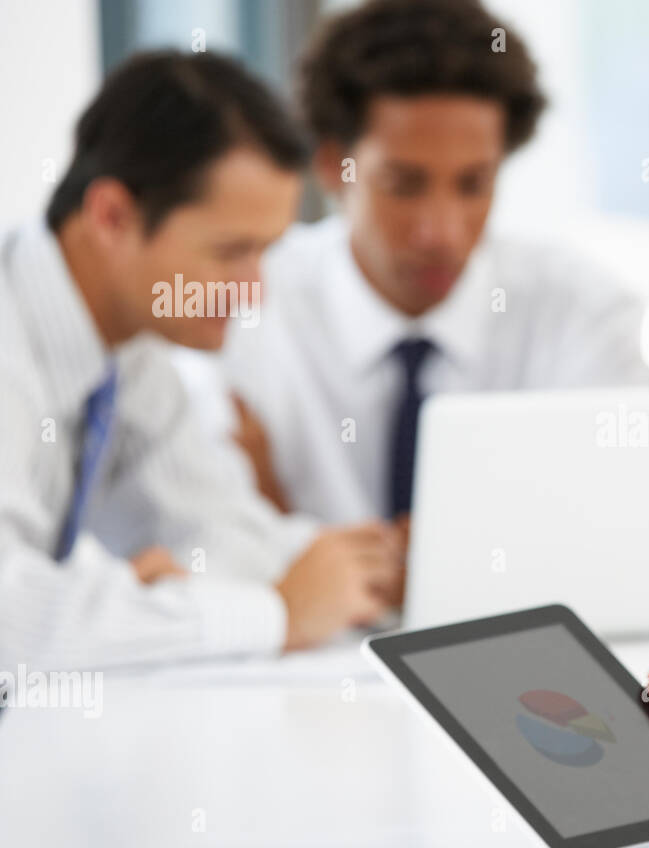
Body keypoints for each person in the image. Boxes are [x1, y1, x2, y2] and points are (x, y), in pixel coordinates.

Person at [0, 50, 403, 672]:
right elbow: (10, 621)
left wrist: (370, 571)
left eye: (264, 252)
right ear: (111, 217)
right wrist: (274, 616)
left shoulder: (127, 355)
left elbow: (217, 526)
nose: (253, 292)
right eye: (230, 252)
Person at [217, 0, 649, 527]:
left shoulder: (581, 313)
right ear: (334, 165)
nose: (441, 232)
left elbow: (608, 525)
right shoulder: (245, 306)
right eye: (404, 184)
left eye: (474, 184)